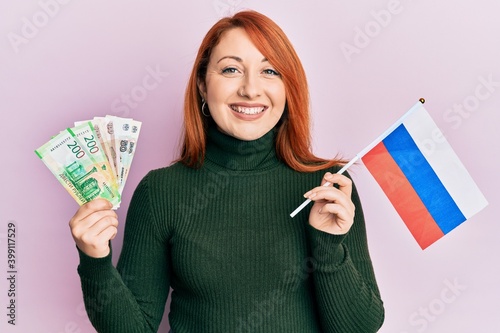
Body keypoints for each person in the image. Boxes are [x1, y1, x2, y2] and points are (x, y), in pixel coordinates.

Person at [70, 10, 384, 333]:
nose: (250, 89)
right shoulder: (159, 193)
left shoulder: (329, 187)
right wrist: (94, 260)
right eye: (231, 69)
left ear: (288, 88)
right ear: (203, 86)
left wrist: (328, 245)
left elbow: (359, 328)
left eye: (270, 71)